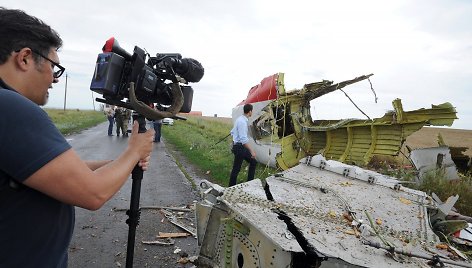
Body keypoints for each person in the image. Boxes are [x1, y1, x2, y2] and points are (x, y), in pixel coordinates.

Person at [0, 8, 155, 268]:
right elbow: (92, 194)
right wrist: (133, 152)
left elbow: (58, 173)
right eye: (53, 67)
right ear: (25, 58)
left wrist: (121, 163)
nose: (55, 79)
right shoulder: (10, 107)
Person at [229, 103, 257, 187]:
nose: (252, 112)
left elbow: (232, 132)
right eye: (252, 111)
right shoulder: (242, 122)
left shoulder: (239, 119)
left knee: (252, 162)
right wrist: (252, 151)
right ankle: (232, 186)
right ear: (250, 111)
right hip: (239, 147)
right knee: (237, 168)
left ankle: (247, 183)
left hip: (238, 146)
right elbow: (244, 140)